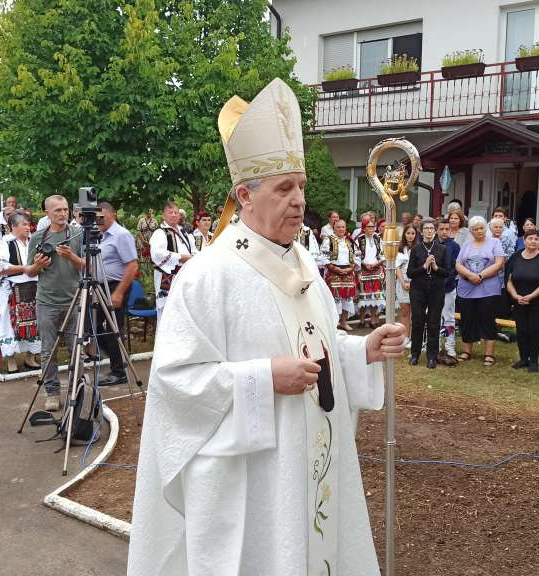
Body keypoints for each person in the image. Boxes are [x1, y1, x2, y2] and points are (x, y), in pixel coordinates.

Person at [128, 77, 405, 576]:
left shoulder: (303, 264)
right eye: (284, 188)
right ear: (245, 195)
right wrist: (262, 378)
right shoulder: (208, 276)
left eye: (300, 185)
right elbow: (175, 383)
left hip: (310, 464)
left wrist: (358, 350)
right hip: (253, 482)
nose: (300, 200)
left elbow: (312, 346)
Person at [26, 195, 86, 411]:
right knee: (48, 350)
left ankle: (76, 391)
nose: (62, 214)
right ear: (47, 213)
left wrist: (72, 258)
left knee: (76, 349)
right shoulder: (37, 238)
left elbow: (88, 267)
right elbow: (30, 272)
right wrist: (38, 265)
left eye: (65, 209)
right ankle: (52, 393)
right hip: (47, 301)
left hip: (73, 299)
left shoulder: (78, 234)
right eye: (57, 210)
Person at [92, 201, 139, 387]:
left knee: (113, 328)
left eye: (102, 216)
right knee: (93, 327)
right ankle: (116, 361)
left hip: (116, 286)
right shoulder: (100, 236)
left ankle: (118, 371)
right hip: (101, 286)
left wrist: (119, 292)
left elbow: (132, 264)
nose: (99, 220)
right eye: (97, 216)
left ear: (113, 215)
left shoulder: (121, 235)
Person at [0, 212, 41, 373]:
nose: (27, 227)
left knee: (35, 322)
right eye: (23, 224)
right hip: (11, 291)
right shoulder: (6, 243)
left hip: (35, 288)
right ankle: (10, 359)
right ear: (13, 226)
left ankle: (30, 356)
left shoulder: (33, 242)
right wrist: (25, 268)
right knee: (9, 322)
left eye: (28, 224)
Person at [455, 216, 505, 366]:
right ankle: (466, 351)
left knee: (487, 319)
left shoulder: (495, 242)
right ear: (471, 231)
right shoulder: (466, 244)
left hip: (488, 289)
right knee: (467, 319)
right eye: (476, 229)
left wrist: (481, 275)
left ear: (486, 228)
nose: (479, 231)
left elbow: (499, 263)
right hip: (467, 288)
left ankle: (489, 354)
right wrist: (470, 275)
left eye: (481, 228)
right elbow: (458, 264)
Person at [506, 228, 539, 372]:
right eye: (530, 238)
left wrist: (531, 296)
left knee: (534, 331)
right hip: (518, 300)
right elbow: (508, 279)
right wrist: (515, 295)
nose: (533, 241)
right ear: (524, 240)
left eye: (536, 239)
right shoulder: (515, 257)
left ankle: (533, 360)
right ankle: (523, 358)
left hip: (537, 301)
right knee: (521, 330)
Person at [408, 218, 449, 368]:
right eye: (426, 229)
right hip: (418, 289)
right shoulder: (416, 249)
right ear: (422, 231)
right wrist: (424, 266)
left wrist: (436, 267)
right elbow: (410, 273)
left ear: (436, 230)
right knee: (418, 321)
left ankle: (432, 356)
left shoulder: (442, 249)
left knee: (433, 322)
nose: (429, 231)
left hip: (436, 289)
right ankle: (415, 354)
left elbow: (447, 272)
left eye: (432, 228)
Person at [149, 201, 195, 315]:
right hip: (168, 278)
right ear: (164, 216)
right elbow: (157, 254)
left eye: (176, 212)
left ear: (179, 215)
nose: (174, 215)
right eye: (170, 212)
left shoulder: (184, 232)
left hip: (185, 276)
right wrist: (181, 257)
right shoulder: (160, 232)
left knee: (184, 312)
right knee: (167, 313)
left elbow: (193, 250)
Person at [320, 219, 358, 331]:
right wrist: (335, 268)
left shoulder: (350, 241)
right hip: (334, 272)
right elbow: (323, 257)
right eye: (338, 227)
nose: (341, 229)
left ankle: (344, 322)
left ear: (346, 229)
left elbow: (356, 257)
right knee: (334, 298)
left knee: (347, 298)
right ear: (334, 228)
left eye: (343, 227)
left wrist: (350, 268)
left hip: (348, 272)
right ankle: (334, 323)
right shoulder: (328, 241)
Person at [435, 217, 461, 365]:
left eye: (447, 229)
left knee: (449, 317)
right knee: (435, 318)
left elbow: (454, 267)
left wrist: (446, 280)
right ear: (437, 230)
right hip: (433, 289)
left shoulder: (455, 246)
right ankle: (436, 347)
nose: (444, 232)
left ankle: (450, 347)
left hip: (449, 287)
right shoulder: (431, 245)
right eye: (442, 229)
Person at [355, 217, 385, 327]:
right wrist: (363, 263)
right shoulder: (359, 239)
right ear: (364, 227)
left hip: (376, 269)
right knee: (363, 295)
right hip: (363, 269)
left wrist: (377, 263)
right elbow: (355, 255)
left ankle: (373, 320)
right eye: (369, 226)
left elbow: (382, 254)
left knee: (375, 295)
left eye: (373, 226)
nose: (372, 229)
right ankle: (362, 320)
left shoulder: (378, 239)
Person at [395, 224, 417, 349]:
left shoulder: (419, 248)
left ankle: (415, 338)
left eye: (413, 233)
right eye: (408, 233)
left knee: (416, 313)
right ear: (404, 235)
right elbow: (396, 267)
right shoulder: (399, 248)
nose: (410, 236)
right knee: (404, 312)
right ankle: (405, 338)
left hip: (415, 283)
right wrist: (403, 282)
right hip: (402, 282)